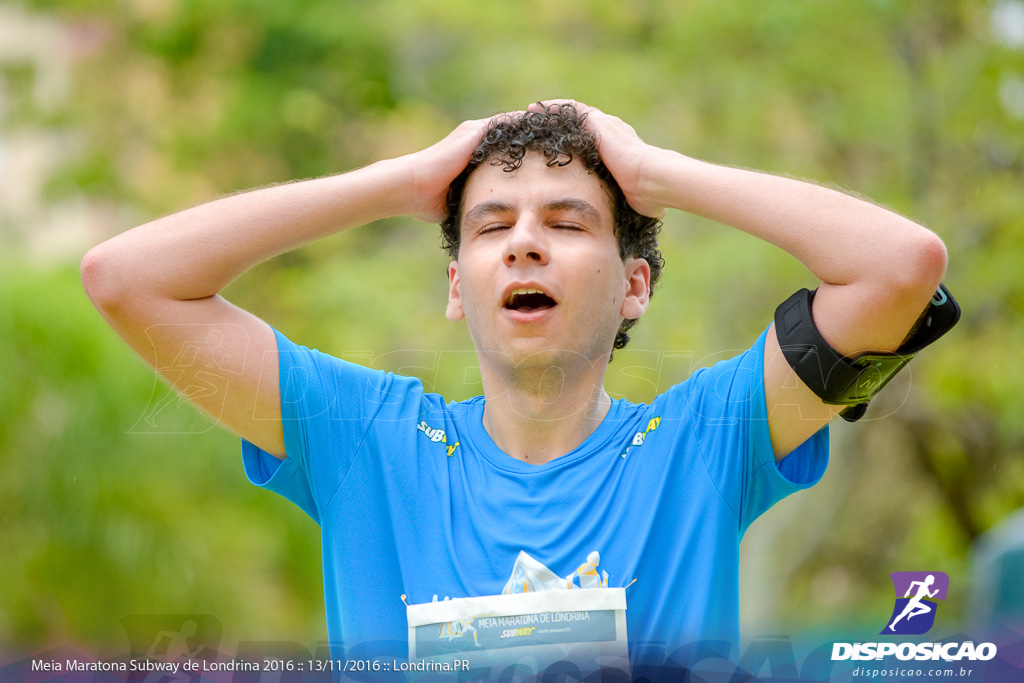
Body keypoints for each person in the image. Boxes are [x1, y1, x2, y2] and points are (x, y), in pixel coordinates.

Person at [81, 100, 948, 671]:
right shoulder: (364, 443)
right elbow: (127, 279)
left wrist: (656, 175)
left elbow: (899, 267)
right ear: (459, 287)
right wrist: (398, 184)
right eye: (491, 227)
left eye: (567, 222)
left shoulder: (706, 442)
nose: (524, 242)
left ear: (634, 284)